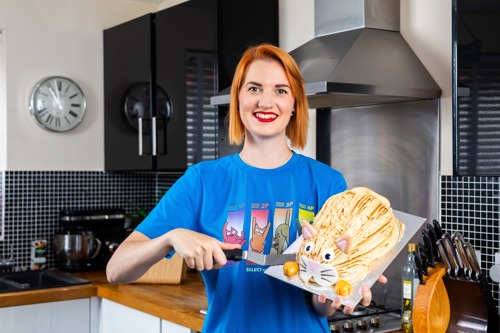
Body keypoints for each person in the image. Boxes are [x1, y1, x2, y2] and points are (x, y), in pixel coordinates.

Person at [106, 43, 386, 333]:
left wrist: (333, 297)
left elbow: (319, 305)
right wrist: (172, 237)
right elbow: (116, 270)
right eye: (254, 88)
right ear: (237, 99)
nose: (266, 101)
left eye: (280, 90)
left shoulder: (327, 182)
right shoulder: (202, 180)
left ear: (295, 105)